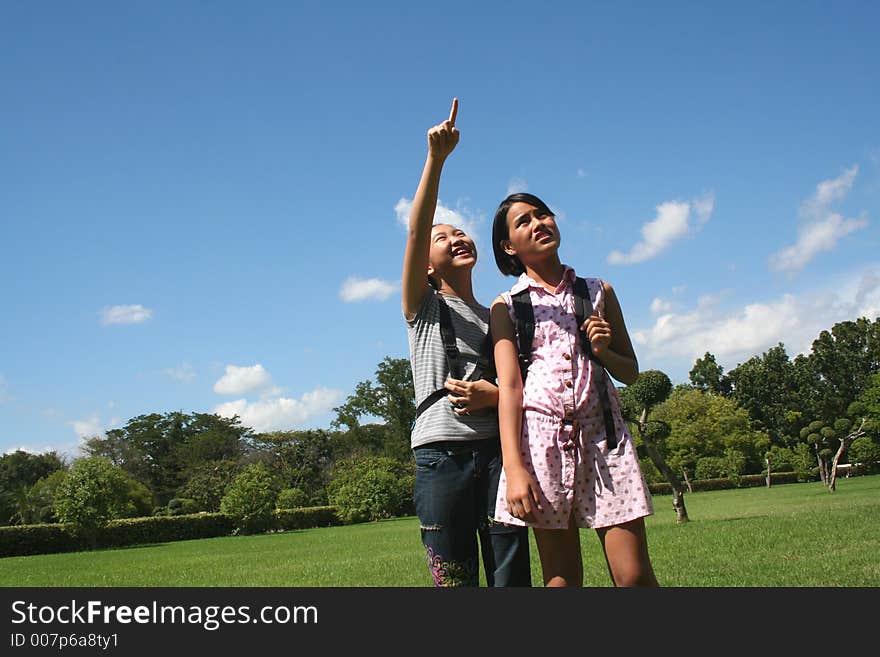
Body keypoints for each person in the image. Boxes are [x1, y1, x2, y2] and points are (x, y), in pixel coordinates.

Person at [489, 192, 659, 587]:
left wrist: (602, 351)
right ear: (509, 246)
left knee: (633, 575)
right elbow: (510, 388)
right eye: (524, 221)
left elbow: (630, 372)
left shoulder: (598, 291)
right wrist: (514, 468)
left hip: (605, 442)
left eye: (542, 214)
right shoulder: (509, 306)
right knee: (561, 581)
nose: (538, 223)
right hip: (542, 447)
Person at [401, 100, 531, 587]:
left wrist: (495, 396)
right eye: (443, 237)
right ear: (429, 266)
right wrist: (436, 159)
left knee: (510, 572)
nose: (456, 237)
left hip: (500, 452)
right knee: (453, 577)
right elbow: (415, 231)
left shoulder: (500, 313)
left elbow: (520, 385)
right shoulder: (424, 308)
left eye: (460, 231)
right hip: (442, 455)